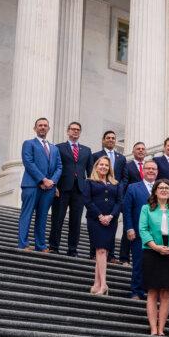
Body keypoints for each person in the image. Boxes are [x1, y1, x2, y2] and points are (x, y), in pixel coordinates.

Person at [138, 178, 169, 336]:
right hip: (152, 252)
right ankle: (153, 327)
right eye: (161, 187)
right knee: (152, 291)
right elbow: (143, 229)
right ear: (155, 191)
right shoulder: (146, 208)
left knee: (166, 292)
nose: (164, 190)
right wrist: (155, 246)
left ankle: (161, 328)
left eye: (167, 188)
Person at [17, 117, 61, 253]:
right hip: (31, 186)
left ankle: (40, 245)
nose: (42, 127)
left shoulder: (54, 148)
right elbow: (28, 162)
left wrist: (52, 182)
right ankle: (23, 244)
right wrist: (42, 180)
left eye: (45, 125)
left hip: (48, 188)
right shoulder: (29, 143)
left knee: (42, 217)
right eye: (40, 125)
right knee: (27, 214)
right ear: (35, 128)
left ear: (48, 129)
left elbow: (59, 167)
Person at [49, 121, 91, 257]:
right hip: (61, 188)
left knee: (76, 221)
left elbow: (90, 173)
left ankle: (72, 249)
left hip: (79, 190)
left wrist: (88, 191)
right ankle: (54, 246)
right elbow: (53, 168)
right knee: (58, 218)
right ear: (68, 131)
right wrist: (54, 185)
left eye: (78, 130)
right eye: (73, 129)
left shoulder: (87, 150)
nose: (75, 132)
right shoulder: (58, 148)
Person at [81, 154, 121, 296]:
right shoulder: (90, 181)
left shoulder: (115, 183)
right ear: (96, 167)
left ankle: (96, 283)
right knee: (101, 251)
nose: (103, 167)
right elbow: (87, 200)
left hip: (111, 220)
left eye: (106, 165)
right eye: (101, 165)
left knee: (103, 252)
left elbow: (119, 202)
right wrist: (100, 216)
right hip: (95, 220)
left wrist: (110, 216)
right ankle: (104, 283)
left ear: (109, 168)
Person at [122, 159, 157, 299]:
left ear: (157, 172)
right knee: (138, 262)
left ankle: (151, 291)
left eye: (153, 169)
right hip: (138, 232)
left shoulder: (162, 188)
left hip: (157, 235)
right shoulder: (133, 187)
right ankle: (136, 291)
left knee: (155, 264)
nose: (150, 171)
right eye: (148, 168)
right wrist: (129, 228)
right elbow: (127, 209)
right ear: (143, 171)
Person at [90, 130, 124, 261]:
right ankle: (93, 253)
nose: (111, 140)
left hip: (114, 195)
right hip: (98, 196)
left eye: (113, 138)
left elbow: (124, 177)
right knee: (96, 229)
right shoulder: (96, 155)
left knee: (112, 227)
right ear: (103, 140)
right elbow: (91, 172)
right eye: (108, 138)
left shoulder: (121, 158)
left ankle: (111, 255)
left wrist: (119, 187)